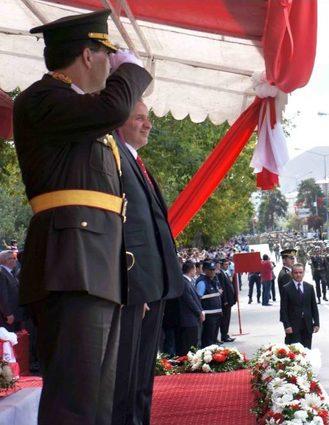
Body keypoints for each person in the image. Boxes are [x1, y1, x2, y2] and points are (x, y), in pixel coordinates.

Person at [13, 9, 152, 424]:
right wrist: (133, 73)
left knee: (97, 401)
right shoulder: (41, 99)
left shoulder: (78, 109)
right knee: (74, 400)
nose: (112, 65)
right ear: (88, 56)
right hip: (69, 263)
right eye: (107, 55)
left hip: (94, 265)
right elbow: (112, 109)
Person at [112, 100, 183, 425]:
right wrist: (132, 289)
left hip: (154, 286)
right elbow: (121, 230)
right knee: (126, 379)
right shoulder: (114, 157)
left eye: (148, 117)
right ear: (119, 121)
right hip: (134, 289)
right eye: (139, 118)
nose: (148, 124)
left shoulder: (135, 160)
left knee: (142, 376)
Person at [279, 263, 320, 348]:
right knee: (295, 352)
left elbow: (314, 307)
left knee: (307, 351)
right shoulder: (286, 288)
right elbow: (283, 309)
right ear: (292, 274)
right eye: (296, 273)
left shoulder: (309, 287)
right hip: (293, 326)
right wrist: (287, 326)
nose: (298, 275)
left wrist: (316, 323)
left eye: (300, 272)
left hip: (307, 325)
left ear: (303, 273)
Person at [177, 261, 204, 355]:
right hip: (188, 319)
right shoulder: (184, 283)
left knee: (193, 343)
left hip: (192, 319)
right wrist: (199, 312)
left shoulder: (188, 281)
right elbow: (190, 301)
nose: (196, 271)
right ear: (191, 269)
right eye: (195, 269)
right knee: (189, 345)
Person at [196, 261, 224, 346]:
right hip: (208, 315)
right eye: (210, 270)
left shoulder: (213, 280)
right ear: (204, 270)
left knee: (213, 338)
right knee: (208, 339)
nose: (213, 272)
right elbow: (198, 298)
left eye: (213, 270)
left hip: (216, 314)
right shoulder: (202, 282)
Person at [0, 250, 21, 332]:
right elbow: (2, 296)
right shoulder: (1, 273)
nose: (15, 260)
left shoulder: (9, 272)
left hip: (15, 313)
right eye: (13, 258)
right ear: (6, 260)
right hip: (8, 317)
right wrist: (8, 314)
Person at [219, 259, 237, 343]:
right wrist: (225, 300)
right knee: (225, 319)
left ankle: (226, 334)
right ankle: (224, 335)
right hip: (226, 301)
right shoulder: (220, 274)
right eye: (225, 264)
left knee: (227, 318)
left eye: (227, 264)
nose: (227, 266)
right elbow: (223, 288)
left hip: (230, 300)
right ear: (221, 265)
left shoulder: (226, 273)